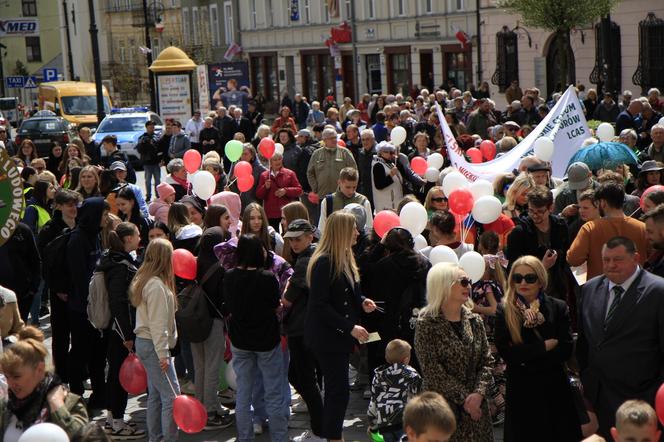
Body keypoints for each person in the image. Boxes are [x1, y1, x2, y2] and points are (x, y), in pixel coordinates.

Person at [577, 237, 664, 440]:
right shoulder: (590, 289)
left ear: (636, 258)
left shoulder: (658, 291)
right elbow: (584, 343)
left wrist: (654, 396)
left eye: (618, 259)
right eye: (606, 260)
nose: (611, 265)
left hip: (641, 401)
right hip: (598, 400)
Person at [306, 211, 377, 442]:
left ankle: (333, 435)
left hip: (338, 337)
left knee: (339, 392)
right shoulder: (324, 261)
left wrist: (362, 300)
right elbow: (319, 305)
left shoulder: (345, 256)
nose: (358, 232)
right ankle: (334, 438)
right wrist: (350, 327)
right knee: (337, 392)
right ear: (342, 232)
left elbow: (346, 293)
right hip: (328, 338)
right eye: (354, 228)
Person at [494, 255, 582, 441]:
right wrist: (543, 347)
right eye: (517, 278)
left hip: (554, 389)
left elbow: (564, 349)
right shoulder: (505, 310)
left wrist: (526, 355)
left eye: (530, 278)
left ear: (541, 281)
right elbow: (507, 353)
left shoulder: (558, 307)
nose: (523, 282)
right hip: (522, 390)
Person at [414, 262, 494, 441]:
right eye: (463, 282)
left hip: (477, 413)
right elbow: (432, 371)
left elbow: (487, 362)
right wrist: (467, 399)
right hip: (441, 411)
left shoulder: (475, 321)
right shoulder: (426, 323)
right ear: (444, 284)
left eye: (469, 281)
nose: (469, 286)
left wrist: (479, 394)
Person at [223, 234, 289, 442]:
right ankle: (279, 437)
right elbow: (275, 305)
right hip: (267, 340)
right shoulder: (267, 277)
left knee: (243, 393)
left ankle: (245, 437)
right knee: (274, 392)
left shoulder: (230, 276)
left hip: (240, 340)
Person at [95, 222, 145, 439]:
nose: (140, 238)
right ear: (127, 240)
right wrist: (127, 335)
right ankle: (117, 423)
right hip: (120, 331)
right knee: (119, 375)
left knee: (115, 374)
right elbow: (119, 302)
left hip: (114, 329)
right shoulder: (120, 266)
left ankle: (111, 419)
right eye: (137, 235)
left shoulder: (112, 259)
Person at [130, 239, 180, 442]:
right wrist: (163, 354)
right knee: (172, 397)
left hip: (144, 342)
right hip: (153, 345)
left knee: (156, 395)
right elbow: (158, 325)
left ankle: (156, 437)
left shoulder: (144, 279)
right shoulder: (157, 286)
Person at [0, 327, 89, 439]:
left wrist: (57, 405)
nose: (10, 383)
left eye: (17, 377)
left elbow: (82, 438)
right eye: (7, 377)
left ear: (39, 369)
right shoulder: (6, 405)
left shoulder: (69, 404)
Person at [280, 219, 323, 442]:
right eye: (291, 240)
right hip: (307, 326)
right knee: (299, 376)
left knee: (305, 379)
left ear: (310, 236)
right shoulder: (314, 255)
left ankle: (320, 429)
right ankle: (320, 421)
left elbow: (288, 300)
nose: (294, 244)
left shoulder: (305, 260)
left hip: (301, 328)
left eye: (298, 239)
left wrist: (284, 296)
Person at [65, 197, 109, 409]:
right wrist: (91, 305)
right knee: (81, 352)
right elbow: (79, 276)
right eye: (103, 214)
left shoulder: (95, 235)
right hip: (82, 309)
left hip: (97, 307)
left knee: (98, 355)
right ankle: (75, 395)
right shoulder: (77, 239)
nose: (106, 218)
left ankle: (99, 394)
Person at [191, 227, 234, 430]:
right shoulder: (218, 266)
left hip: (194, 322)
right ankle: (209, 411)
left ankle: (200, 407)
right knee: (212, 368)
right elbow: (224, 298)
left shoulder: (194, 262)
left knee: (199, 367)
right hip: (213, 321)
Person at [567, 182, 648, 280]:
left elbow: (573, 259)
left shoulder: (590, 228)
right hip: (637, 288)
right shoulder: (643, 228)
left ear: (603, 203)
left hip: (601, 290)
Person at [367, 339, 422, 442]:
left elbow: (373, 403)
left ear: (386, 358)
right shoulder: (412, 375)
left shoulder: (378, 376)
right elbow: (418, 400)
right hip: (405, 422)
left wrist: (373, 426)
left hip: (384, 424)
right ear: (406, 359)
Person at [307, 127, 357, 205]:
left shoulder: (345, 153)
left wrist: (350, 189)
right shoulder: (316, 154)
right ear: (324, 140)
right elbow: (310, 172)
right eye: (331, 138)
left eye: (335, 137)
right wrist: (315, 188)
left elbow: (354, 171)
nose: (334, 140)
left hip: (342, 195)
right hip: (323, 195)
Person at [255, 152, 303, 230]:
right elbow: (259, 195)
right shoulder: (264, 175)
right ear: (270, 161)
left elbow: (299, 190)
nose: (278, 162)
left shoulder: (290, 173)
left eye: (279, 159)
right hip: (271, 214)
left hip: (286, 213)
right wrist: (265, 187)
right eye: (275, 160)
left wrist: (286, 191)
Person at [319, 167, 373, 233]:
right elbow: (322, 229)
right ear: (339, 183)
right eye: (348, 187)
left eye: (354, 187)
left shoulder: (364, 202)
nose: (351, 191)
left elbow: (369, 229)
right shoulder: (327, 201)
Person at [371, 141, 404, 211]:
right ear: (380, 152)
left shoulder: (390, 163)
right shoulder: (378, 165)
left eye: (391, 152)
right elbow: (379, 185)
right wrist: (391, 175)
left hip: (395, 205)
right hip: (386, 206)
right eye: (386, 152)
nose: (389, 154)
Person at [136, 120, 162, 201]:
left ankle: (158, 196)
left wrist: (161, 160)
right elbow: (139, 150)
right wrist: (144, 143)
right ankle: (148, 196)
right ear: (146, 127)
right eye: (150, 127)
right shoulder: (142, 138)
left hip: (156, 162)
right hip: (147, 163)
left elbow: (160, 149)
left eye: (153, 127)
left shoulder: (157, 137)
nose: (152, 128)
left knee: (158, 180)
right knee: (148, 181)